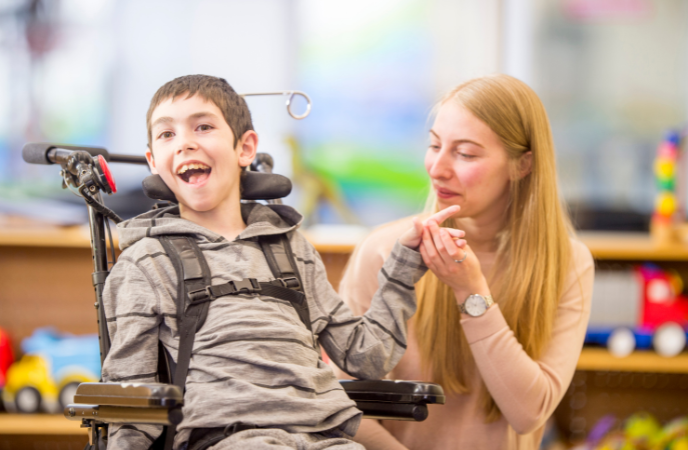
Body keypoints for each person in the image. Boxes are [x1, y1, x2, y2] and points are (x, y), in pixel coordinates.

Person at [100, 74, 464, 450]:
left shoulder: (291, 249)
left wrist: (403, 266)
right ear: (153, 162)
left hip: (326, 435)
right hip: (231, 438)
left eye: (203, 126)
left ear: (246, 148)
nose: (185, 143)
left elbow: (367, 357)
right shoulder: (145, 263)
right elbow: (130, 402)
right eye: (166, 134)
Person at [337, 74, 595, 450]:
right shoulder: (383, 251)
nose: (437, 168)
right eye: (434, 145)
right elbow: (336, 402)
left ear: (523, 165)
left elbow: (528, 413)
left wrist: (471, 293)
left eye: (466, 153)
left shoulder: (568, 264)